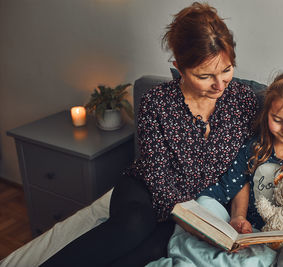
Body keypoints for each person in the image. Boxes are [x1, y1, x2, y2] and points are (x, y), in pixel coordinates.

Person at [40, 2, 257, 267]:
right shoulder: (157, 101)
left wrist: (235, 216)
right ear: (179, 67)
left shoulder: (243, 101)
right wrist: (190, 219)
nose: (219, 85)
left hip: (198, 207)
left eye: (227, 70)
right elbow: (156, 172)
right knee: (131, 228)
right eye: (205, 76)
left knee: (151, 251)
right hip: (146, 190)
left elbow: (242, 168)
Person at [147, 72, 283, 267]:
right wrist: (210, 211)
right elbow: (230, 185)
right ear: (267, 114)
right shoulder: (255, 148)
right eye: (277, 120)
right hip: (253, 233)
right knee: (204, 209)